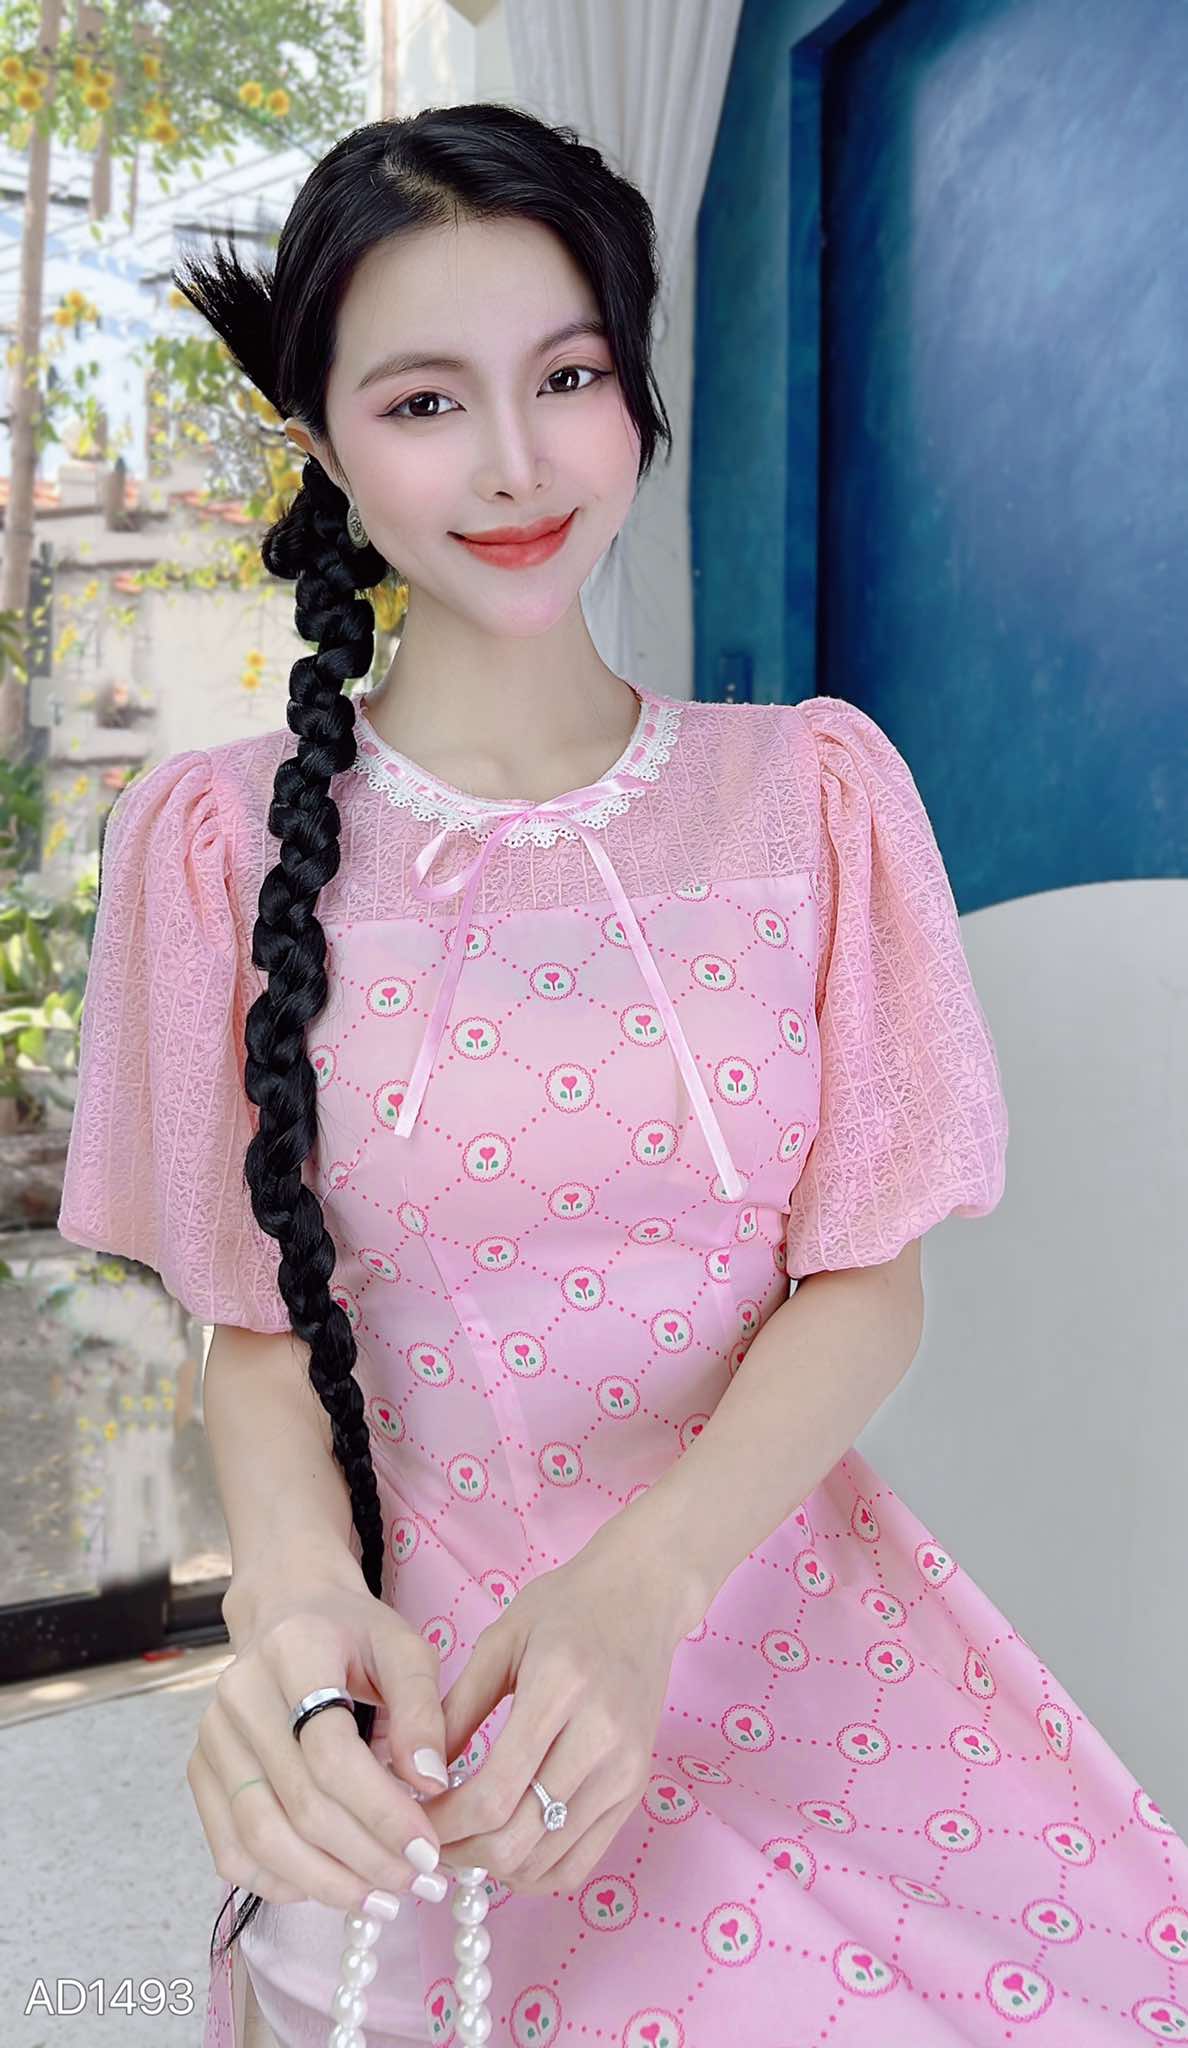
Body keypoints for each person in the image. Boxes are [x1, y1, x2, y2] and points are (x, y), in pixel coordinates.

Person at [55, 103, 1188, 2048]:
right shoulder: (212, 848)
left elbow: (867, 1278)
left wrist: (641, 1591)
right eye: (425, 402)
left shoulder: (814, 795)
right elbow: (254, 1330)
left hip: (769, 1612)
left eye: (567, 377)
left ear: (636, 395)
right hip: (440, 1689)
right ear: (319, 442)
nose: (514, 461)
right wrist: (296, 1615)